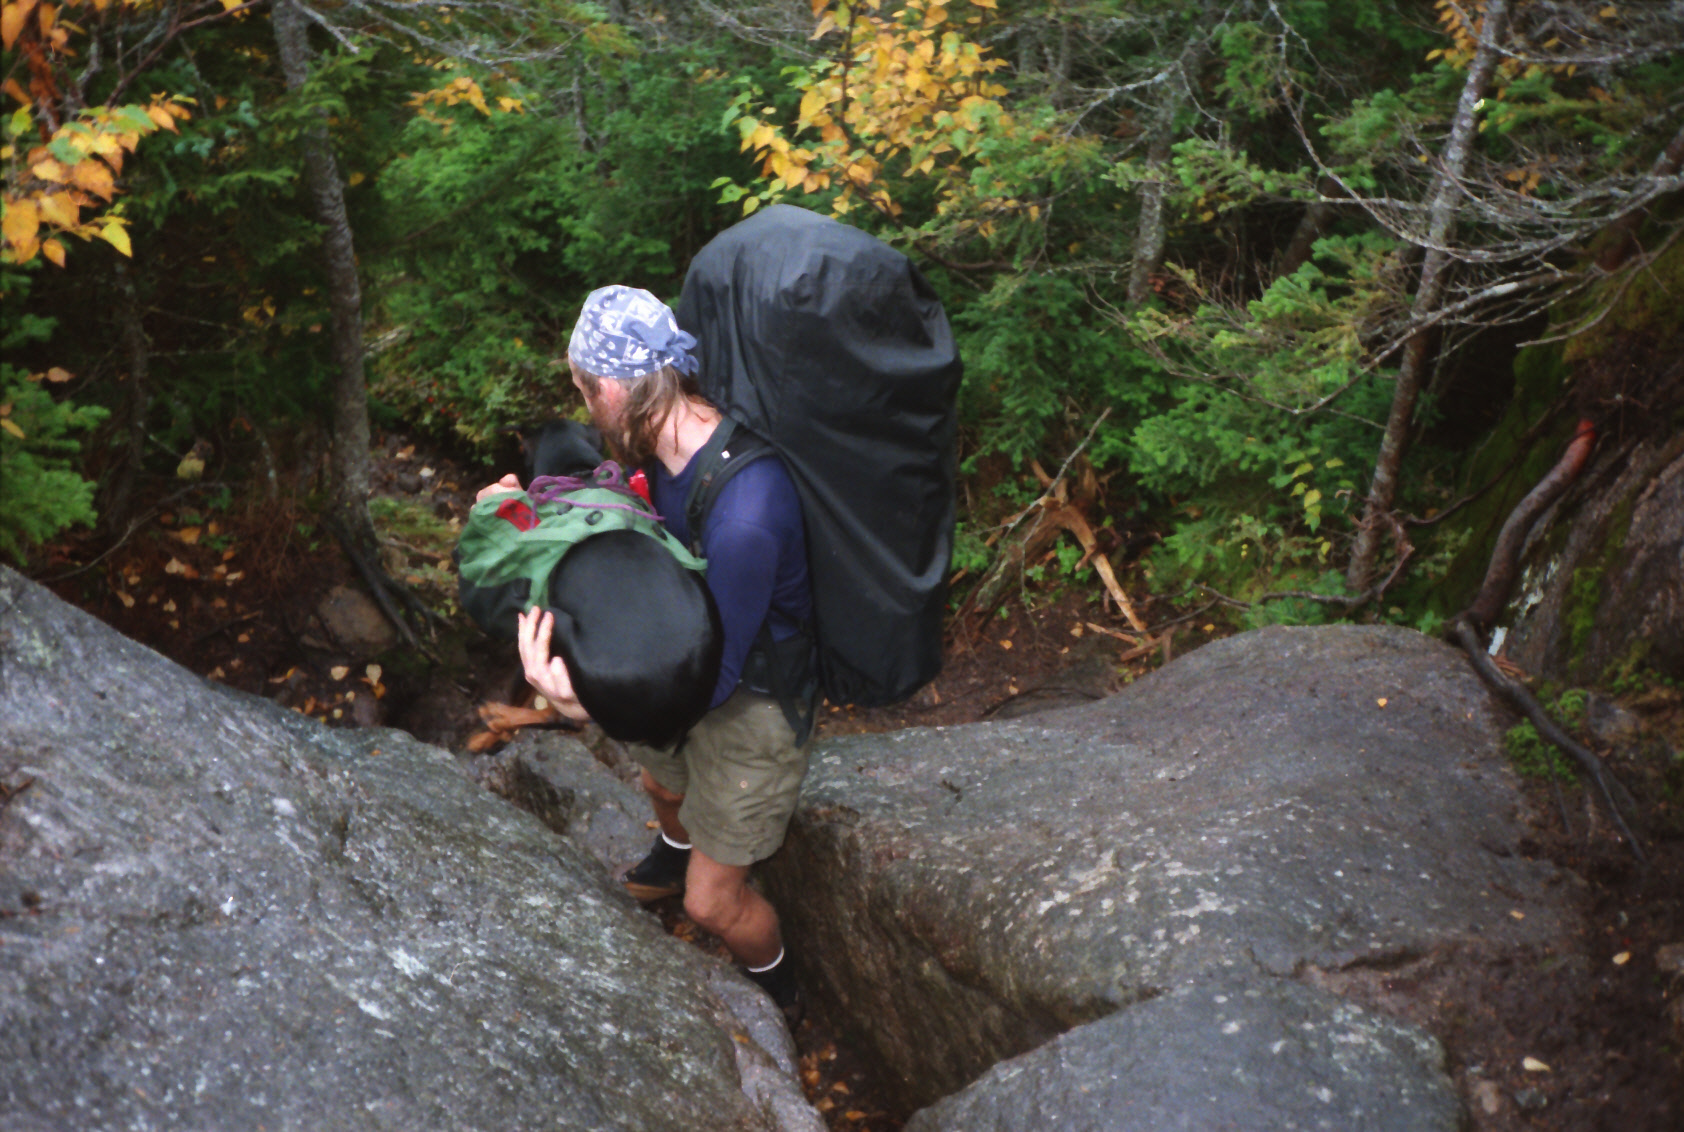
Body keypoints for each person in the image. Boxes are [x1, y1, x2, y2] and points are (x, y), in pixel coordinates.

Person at [487, 284, 812, 1023]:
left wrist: (586, 704)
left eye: (581, 390)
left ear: (609, 389)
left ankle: (783, 994)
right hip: (689, 649)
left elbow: (713, 680)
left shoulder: (747, 515)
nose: (582, 406)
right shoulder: (659, 442)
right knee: (661, 781)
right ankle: (672, 853)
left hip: (752, 693)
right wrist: (522, 516)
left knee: (711, 905)